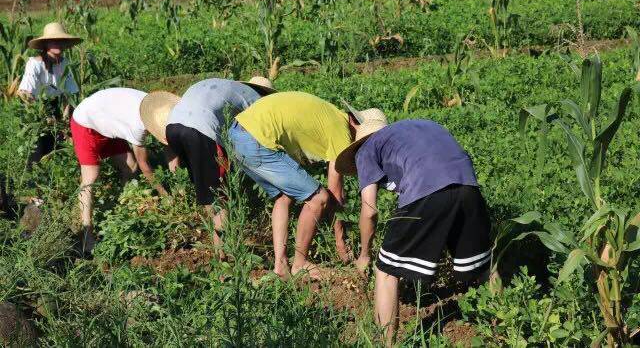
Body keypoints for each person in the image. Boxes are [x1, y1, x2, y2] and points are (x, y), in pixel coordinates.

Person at [335, 118, 491, 345]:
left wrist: (365, 254)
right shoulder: (420, 127)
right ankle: (506, 328)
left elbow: (369, 210)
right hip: (469, 188)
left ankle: (387, 344)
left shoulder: (366, 149)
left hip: (427, 193)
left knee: (386, 270)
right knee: (485, 266)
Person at [229, 91, 385, 279]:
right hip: (256, 139)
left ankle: (280, 266)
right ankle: (300, 264)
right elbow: (335, 193)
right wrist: (340, 242)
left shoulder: (332, 115)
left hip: (238, 134)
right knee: (318, 198)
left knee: (283, 197)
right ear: (355, 124)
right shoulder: (341, 129)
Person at [139, 77, 275, 251]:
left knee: (206, 190)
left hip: (172, 127)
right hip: (200, 130)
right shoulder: (256, 101)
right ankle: (229, 248)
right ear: (265, 94)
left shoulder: (228, 87)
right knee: (222, 192)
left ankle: (218, 246)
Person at [71, 87, 174, 252]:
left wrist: (178, 180)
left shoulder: (156, 106)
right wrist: (165, 196)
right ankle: (87, 235)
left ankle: (120, 204)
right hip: (86, 122)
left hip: (106, 119)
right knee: (91, 177)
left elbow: (169, 147)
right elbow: (145, 166)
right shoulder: (138, 126)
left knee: (130, 167)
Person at [17, 22, 81, 166]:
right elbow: (24, 93)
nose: (57, 43)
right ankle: (32, 186)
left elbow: (68, 95)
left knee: (56, 151)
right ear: (45, 44)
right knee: (37, 153)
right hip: (35, 109)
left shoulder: (65, 63)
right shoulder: (35, 63)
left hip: (55, 108)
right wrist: (43, 115)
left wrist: (64, 120)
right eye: (53, 40)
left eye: (60, 40)